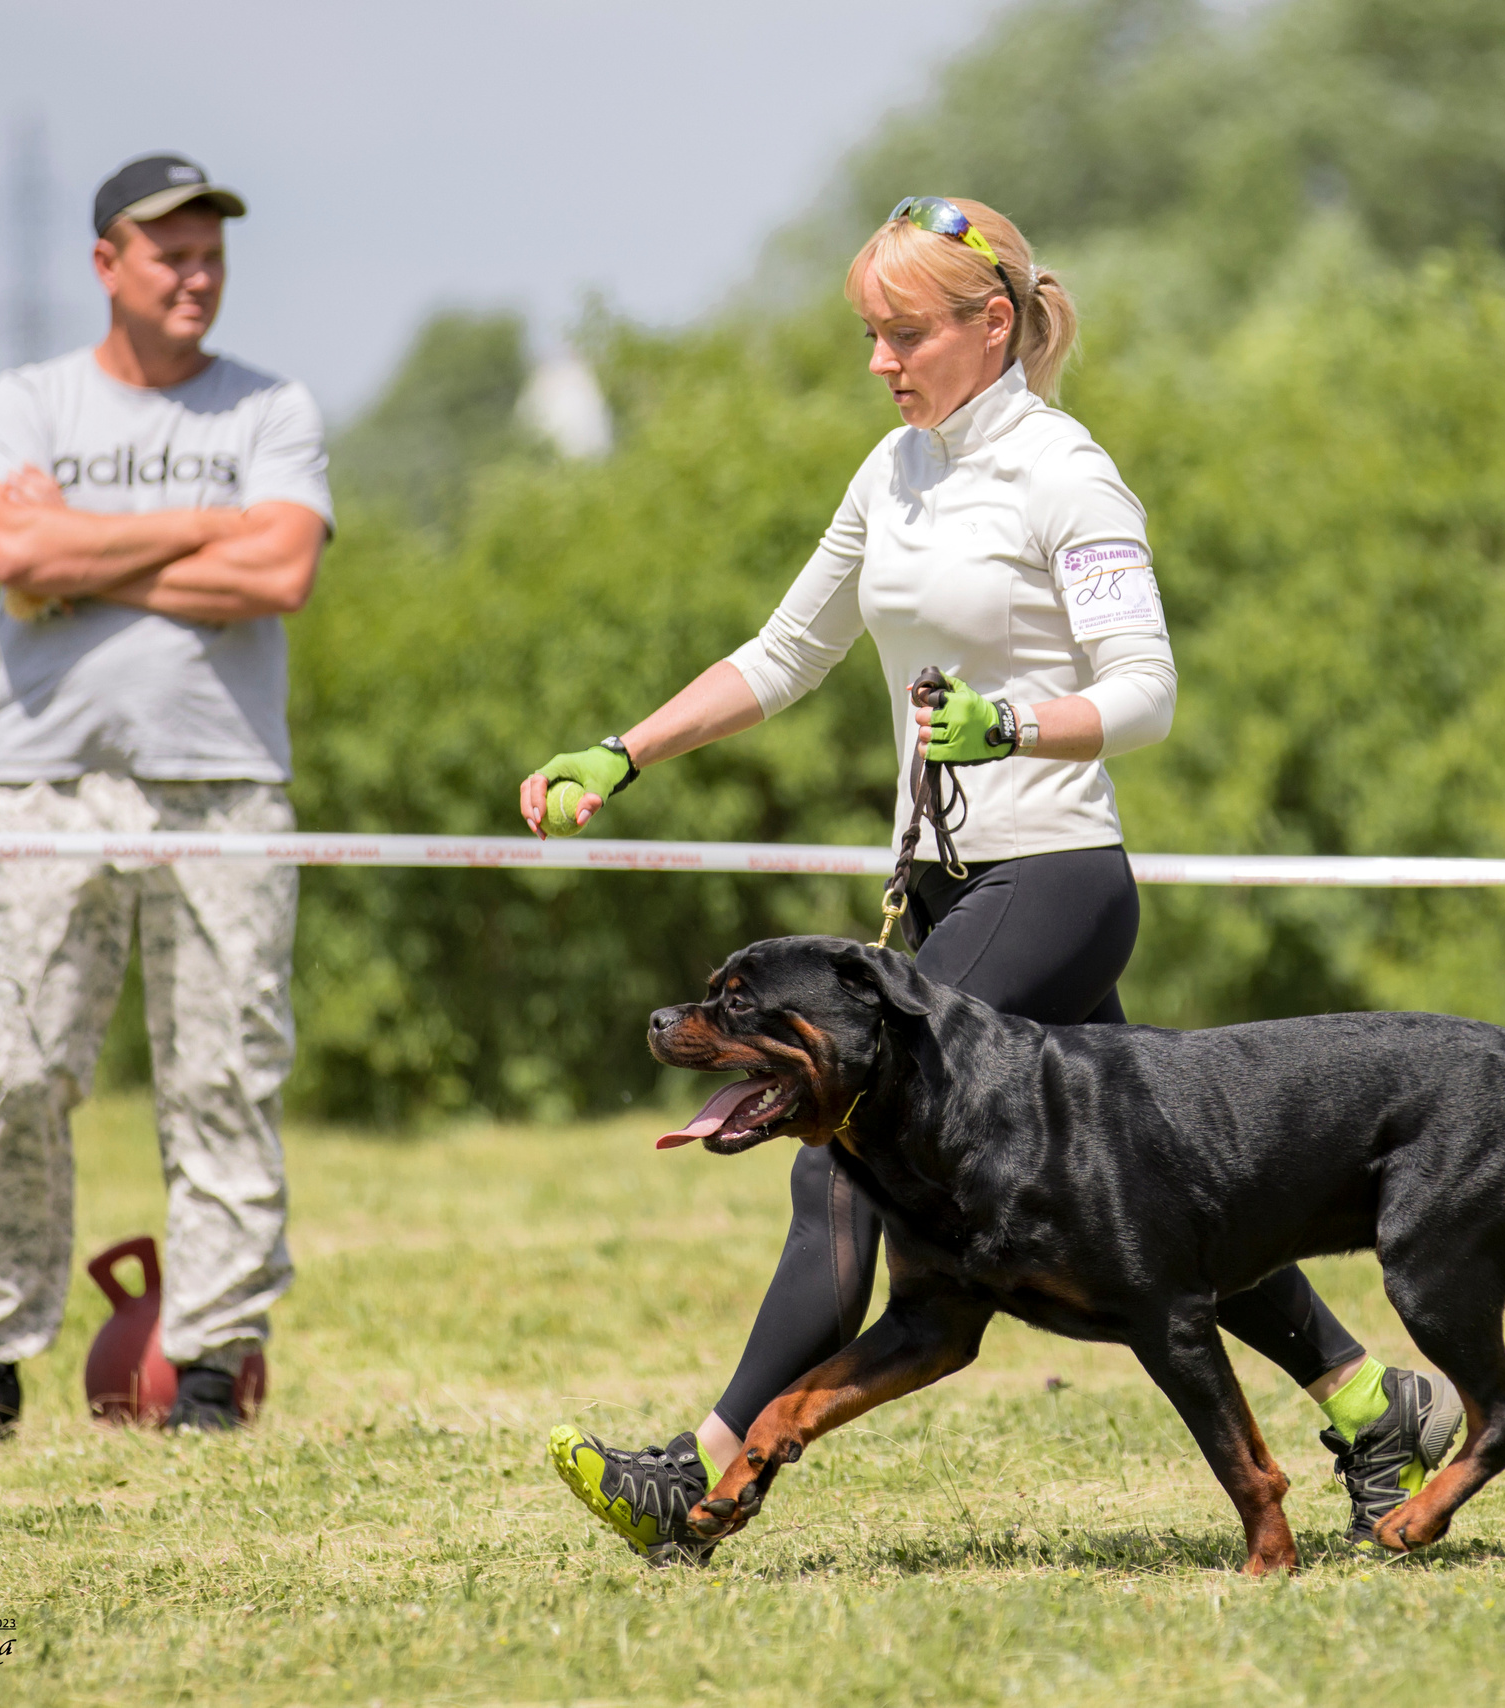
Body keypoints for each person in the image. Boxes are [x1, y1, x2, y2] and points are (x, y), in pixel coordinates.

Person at [528, 197, 1458, 1560]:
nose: (879, 362)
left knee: (841, 1143)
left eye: (904, 333)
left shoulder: (1065, 473)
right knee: (1162, 1204)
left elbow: (1145, 692)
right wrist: (627, 749)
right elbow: (784, 656)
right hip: (955, 893)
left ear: (994, 324)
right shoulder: (891, 471)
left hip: (1057, 879)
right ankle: (1375, 1405)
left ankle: (705, 1471)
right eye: (869, 334)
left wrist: (1012, 723)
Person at [0, 153, 333, 1439]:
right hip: (50, 789)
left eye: (212, 252)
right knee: (13, 1074)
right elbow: (10, 548)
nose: (196, 275)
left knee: (224, 1075)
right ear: (107, 262)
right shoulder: (28, 400)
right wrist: (201, 531)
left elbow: (277, 575)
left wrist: (80, 559)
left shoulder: (270, 409)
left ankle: (212, 1367)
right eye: (170, 254)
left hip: (225, 792)